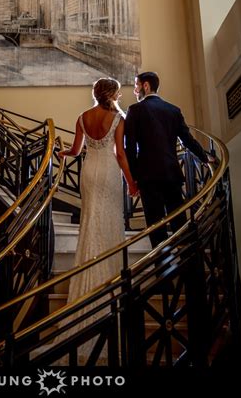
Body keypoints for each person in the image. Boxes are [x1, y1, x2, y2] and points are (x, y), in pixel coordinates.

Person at [57, 77, 138, 363]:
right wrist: (131, 182)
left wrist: (64, 152)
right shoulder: (117, 117)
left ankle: (85, 287)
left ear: (95, 93)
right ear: (113, 94)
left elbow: (77, 151)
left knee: (90, 222)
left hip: (89, 173)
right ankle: (108, 285)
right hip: (108, 172)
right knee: (108, 223)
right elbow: (121, 154)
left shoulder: (82, 117)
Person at [124, 71, 215, 249]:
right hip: (172, 174)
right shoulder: (173, 110)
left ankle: (162, 267)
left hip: (148, 177)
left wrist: (134, 177)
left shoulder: (135, 110)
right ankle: (187, 268)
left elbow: (130, 147)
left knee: (155, 226)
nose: (135, 90)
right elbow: (187, 140)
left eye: (136, 85)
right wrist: (204, 157)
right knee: (179, 223)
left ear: (146, 86)